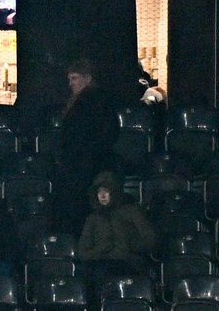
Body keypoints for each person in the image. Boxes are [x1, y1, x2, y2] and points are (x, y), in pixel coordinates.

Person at [50, 58, 120, 231]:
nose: (70, 83)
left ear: (87, 78)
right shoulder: (92, 100)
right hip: (83, 162)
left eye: (74, 78)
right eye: (69, 79)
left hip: (84, 163)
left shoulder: (92, 102)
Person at [77, 174, 157, 283]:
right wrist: (100, 250)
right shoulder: (93, 219)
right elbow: (82, 253)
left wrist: (132, 246)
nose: (103, 196)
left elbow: (150, 239)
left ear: (114, 192)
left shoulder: (133, 212)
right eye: (99, 192)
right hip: (100, 266)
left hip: (130, 264)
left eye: (106, 191)